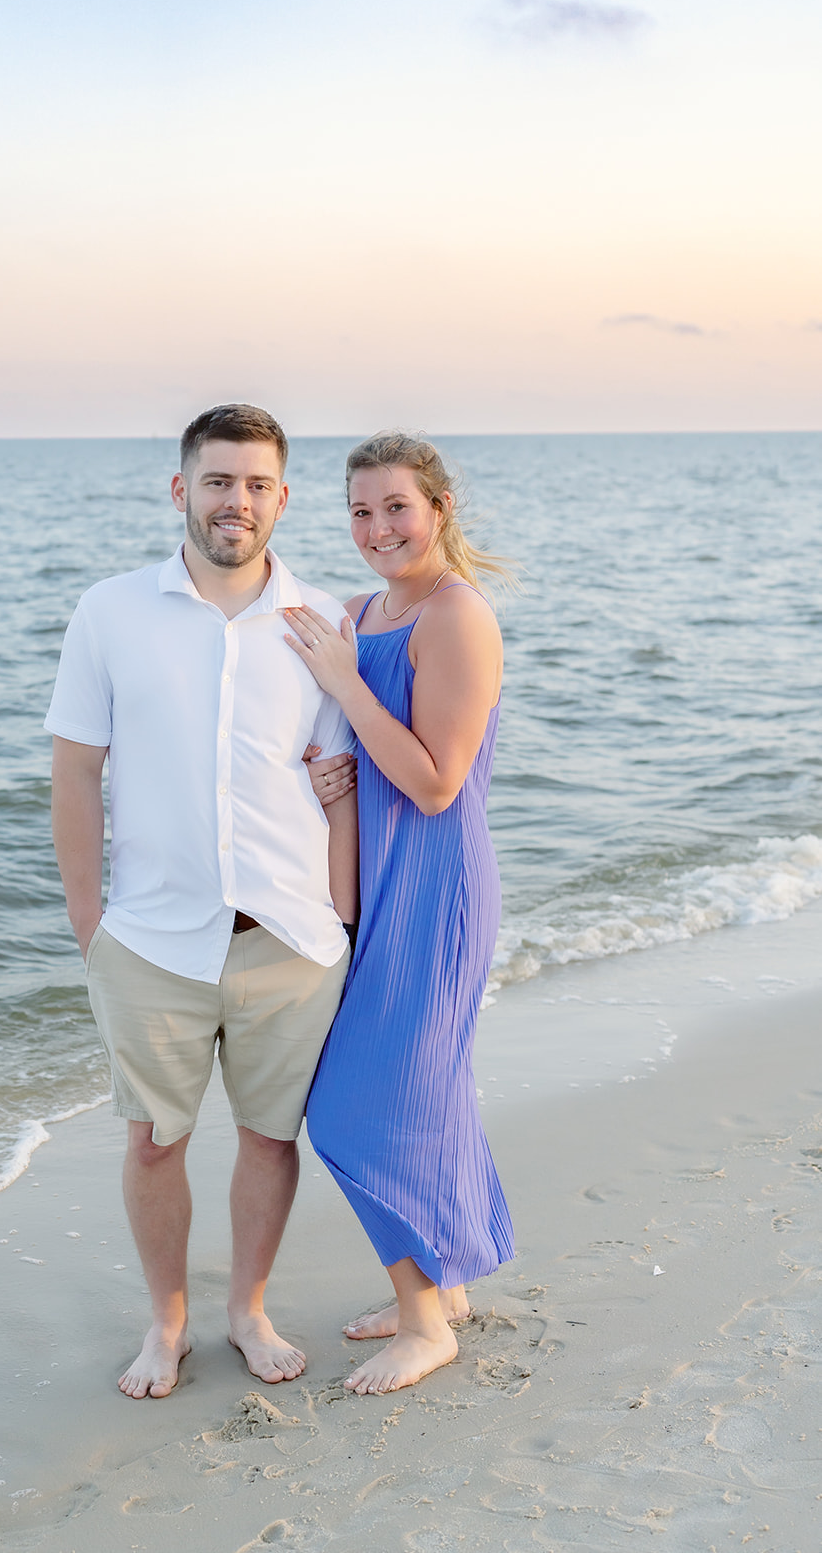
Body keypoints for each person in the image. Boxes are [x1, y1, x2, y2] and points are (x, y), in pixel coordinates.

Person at [45, 404, 356, 1400]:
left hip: (288, 937)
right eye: (219, 481)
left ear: (283, 497)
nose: (238, 500)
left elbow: (339, 776)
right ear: (182, 490)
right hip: (147, 938)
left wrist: (341, 919)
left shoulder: (322, 622)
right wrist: (89, 921)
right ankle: (167, 1320)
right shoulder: (110, 611)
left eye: (258, 483)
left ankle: (246, 1310)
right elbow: (73, 771)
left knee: (270, 1134)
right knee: (153, 1138)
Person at [285, 430, 515, 1396]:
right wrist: (320, 779)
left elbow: (431, 784)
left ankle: (425, 1325)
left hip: (436, 889)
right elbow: (347, 756)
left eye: (396, 507)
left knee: (355, 1112)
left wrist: (342, 683)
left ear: (439, 509)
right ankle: (445, 1284)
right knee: (429, 1097)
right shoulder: (356, 611)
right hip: (368, 888)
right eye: (359, 510)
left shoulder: (456, 617)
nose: (377, 527)